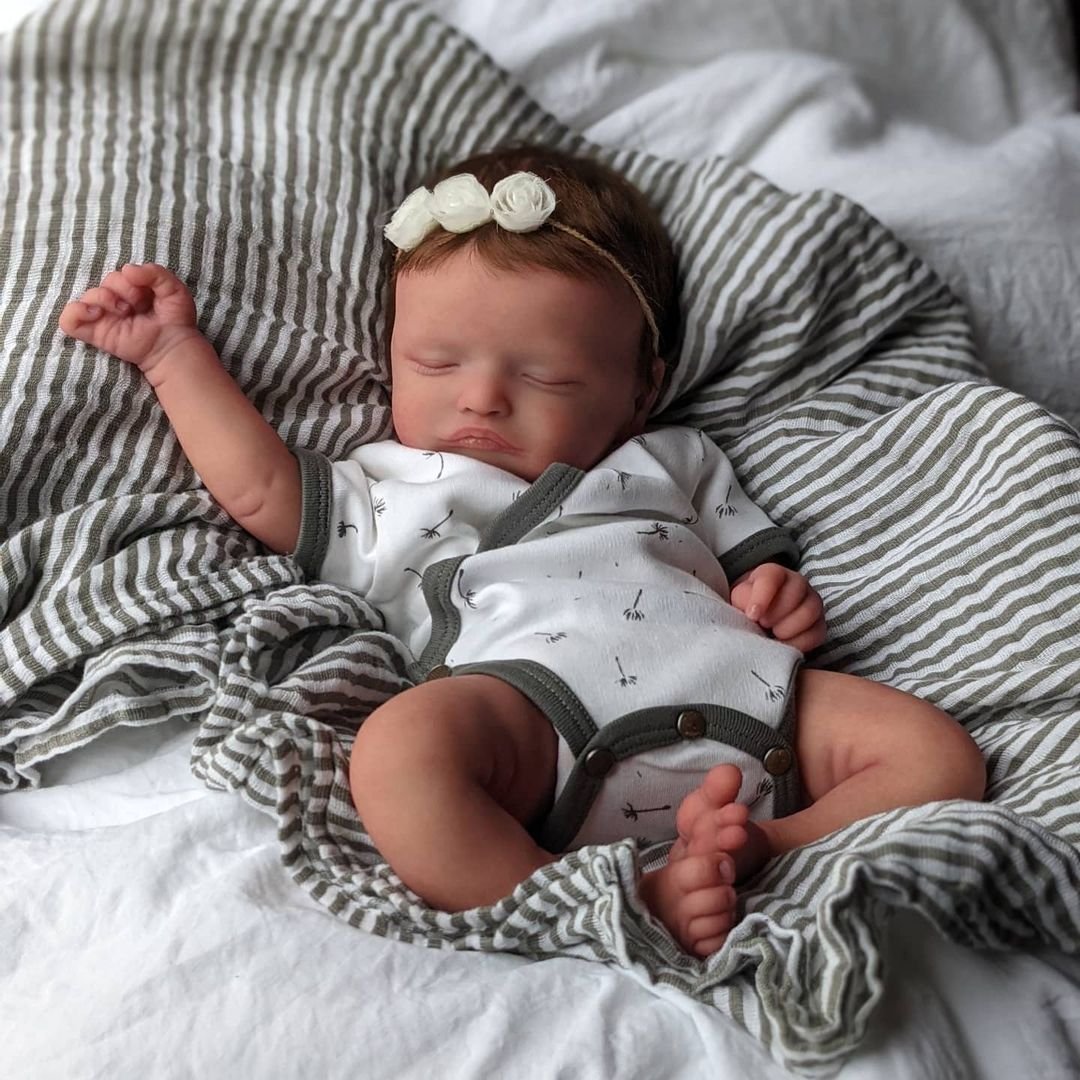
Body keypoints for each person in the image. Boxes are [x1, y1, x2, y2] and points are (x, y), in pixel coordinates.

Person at [59, 145, 985, 957]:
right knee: (398, 754)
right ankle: (585, 903)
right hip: (539, 726)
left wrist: (774, 590)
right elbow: (261, 487)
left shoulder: (677, 458)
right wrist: (172, 355)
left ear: (639, 391)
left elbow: (756, 560)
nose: (482, 399)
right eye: (436, 363)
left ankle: (766, 848)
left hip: (745, 698)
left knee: (935, 750)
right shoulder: (395, 487)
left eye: (546, 375)